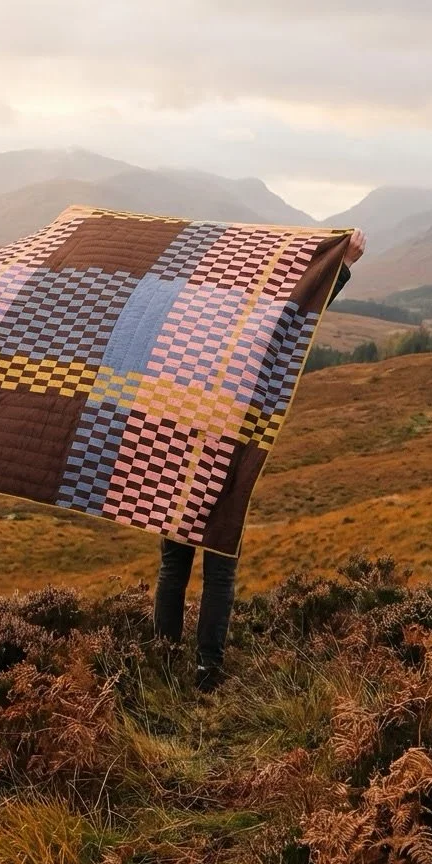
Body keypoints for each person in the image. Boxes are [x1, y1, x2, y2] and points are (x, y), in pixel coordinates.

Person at [153, 228, 368, 692]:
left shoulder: (183, 324)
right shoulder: (250, 327)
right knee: (218, 564)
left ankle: (164, 660)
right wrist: (342, 266)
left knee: (176, 564)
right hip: (227, 455)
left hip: (179, 449)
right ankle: (207, 672)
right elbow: (296, 318)